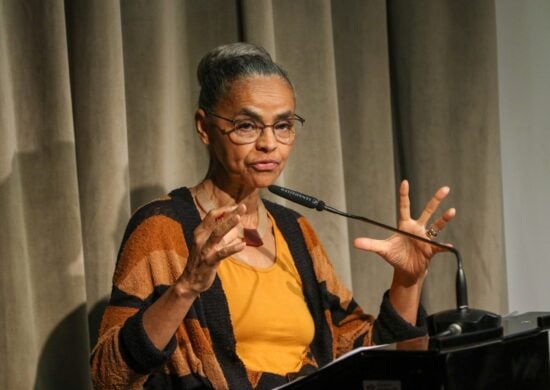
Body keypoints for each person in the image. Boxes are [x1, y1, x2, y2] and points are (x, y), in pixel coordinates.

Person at [91, 42, 455, 389]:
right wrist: (186, 288)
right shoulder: (163, 228)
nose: (269, 143)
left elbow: (363, 356)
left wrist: (407, 282)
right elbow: (110, 376)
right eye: (247, 125)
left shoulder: (295, 231)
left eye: (283, 125)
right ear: (204, 127)